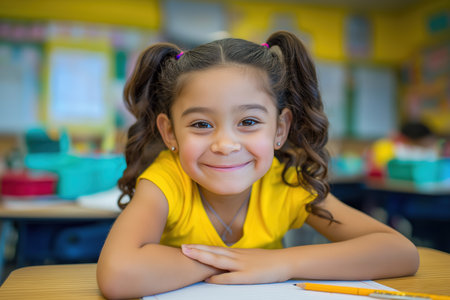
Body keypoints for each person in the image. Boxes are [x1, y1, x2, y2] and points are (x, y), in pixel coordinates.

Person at [97, 31, 419, 299]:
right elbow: (118, 273)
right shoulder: (166, 181)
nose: (225, 144)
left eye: (248, 121)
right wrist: (234, 262)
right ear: (170, 132)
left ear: (279, 129)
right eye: (201, 124)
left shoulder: (288, 185)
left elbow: (400, 252)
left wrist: (280, 263)